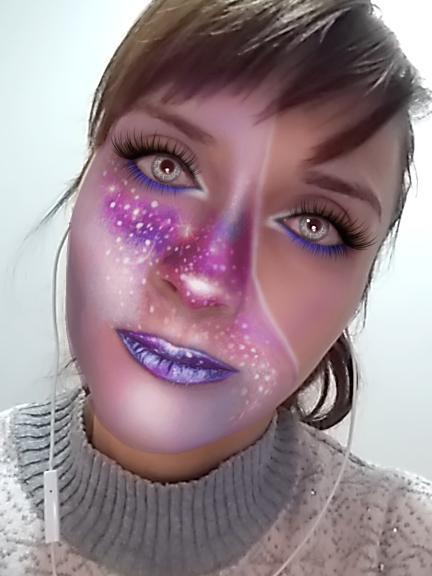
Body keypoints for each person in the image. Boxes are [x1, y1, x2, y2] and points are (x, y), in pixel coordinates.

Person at [1, 1, 431, 575]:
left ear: (361, 289)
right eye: (166, 165)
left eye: (314, 224)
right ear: (90, 170)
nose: (204, 282)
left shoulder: (406, 545)